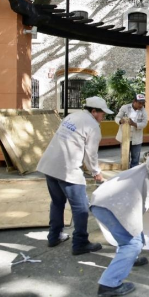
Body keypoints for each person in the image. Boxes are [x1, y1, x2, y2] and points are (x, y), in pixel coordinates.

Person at [90, 126, 149, 297]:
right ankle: (108, 285)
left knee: (134, 235)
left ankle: (129, 259)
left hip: (102, 203)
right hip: (112, 206)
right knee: (132, 244)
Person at [36, 96, 113, 255]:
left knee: (57, 203)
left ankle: (54, 236)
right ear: (93, 111)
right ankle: (80, 243)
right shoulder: (93, 125)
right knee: (81, 208)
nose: (103, 117)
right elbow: (91, 155)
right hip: (67, 169)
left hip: (49, 165)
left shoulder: (72, 116)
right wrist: (96, 172)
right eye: (102, 114)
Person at [115, 93, 149, 168]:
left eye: (143, 103)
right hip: (125, 136)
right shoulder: (125, 107)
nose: (141, 105)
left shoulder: (144, 111)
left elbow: (144, 123)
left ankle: (133, 173)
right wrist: (120, 121)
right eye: (140, 103)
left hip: (136, 138)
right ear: (134, 101)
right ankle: (125, 172)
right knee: (125, 157)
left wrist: (134, 124)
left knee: (135, 158)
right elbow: (117, 118)